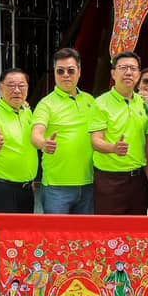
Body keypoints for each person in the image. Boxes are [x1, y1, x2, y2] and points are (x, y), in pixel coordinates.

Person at [33, 48, 98, 215]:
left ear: (79, 72)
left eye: (71, 70)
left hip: (88, 183)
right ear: (54, 73)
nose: (65, 75)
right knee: (55, 232)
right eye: (60, 71)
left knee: (85, 232)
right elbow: (36, 134)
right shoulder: (46, 104)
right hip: (57, 187)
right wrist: (43, 144)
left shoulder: (90, 101)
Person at [91, 53, 148, 215]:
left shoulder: (144, 103)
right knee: (109, 228)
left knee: (137, 228)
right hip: (109, 181)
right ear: (113, 73)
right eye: (123, 68)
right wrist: (113, 148)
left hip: (138, 180)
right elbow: (95, 141)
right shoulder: (100, 103)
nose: (128, 72)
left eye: (133, 68)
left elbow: (147, 142)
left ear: (139, 74)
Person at [0, 69, 36, 214]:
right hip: (2, 190)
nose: (17, 90)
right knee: (1, 229)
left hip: (26, 189)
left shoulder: (27, 111)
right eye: (11, 85)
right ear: (1, 87)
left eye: (21, 85)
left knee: (25, 228)